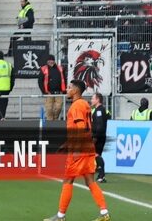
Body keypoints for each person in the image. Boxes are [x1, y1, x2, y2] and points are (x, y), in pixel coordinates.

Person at [45, 79, 109, 221]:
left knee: (68, 180)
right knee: (90, 181)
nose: (67, 90)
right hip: (88, 148)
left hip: (79, 150)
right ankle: (104, 212)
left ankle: (60, 216)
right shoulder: (85, 104)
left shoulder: (76, 106)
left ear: (75, 90)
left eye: (69, 88)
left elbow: (80, 128)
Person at [39, 54, 66, 121]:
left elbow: (64, 79)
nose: (51, 61)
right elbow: (40, 81)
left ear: (54, 61)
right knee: (49, 109)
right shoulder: (43, 69)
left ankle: (54, 119)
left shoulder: (60, 68)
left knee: (59, 108)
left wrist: (64, 90)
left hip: (59, 93)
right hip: (49, 93)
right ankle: (50, 122)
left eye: (52, 60)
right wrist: (44, 91)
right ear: (47, 61)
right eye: (49, 60)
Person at [91, 92, 110, 182]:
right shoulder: (99, 109)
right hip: (99, 135)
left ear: (98, 100)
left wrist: (95, 137)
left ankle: (101, 175)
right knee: (96, 154)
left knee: (96, 154)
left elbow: (100, 125)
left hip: (99, 136)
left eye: (93, 98)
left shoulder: (99, 110)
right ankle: (101, 174)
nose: (91, 100)